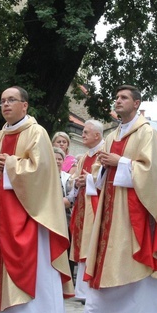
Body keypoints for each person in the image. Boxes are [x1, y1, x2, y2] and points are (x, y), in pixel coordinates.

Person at [67, 85, 157, 313]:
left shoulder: (147, 133)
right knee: (105, 260)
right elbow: (99, 170)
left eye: (124, 98)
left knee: (131, 262)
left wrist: (122, 163)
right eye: (116, 97)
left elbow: (154, 173)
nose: (118, 101)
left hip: (133, 211)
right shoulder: (112, 135)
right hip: (109, 207)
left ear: (137, 103)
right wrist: (100, 170)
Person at [0, 86, 72, 313]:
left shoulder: (36, 132)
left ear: (25, 105)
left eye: (11, 100)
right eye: (2, 101)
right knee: (0, 265)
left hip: (30, 214)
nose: (6, 105)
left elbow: (40, 170)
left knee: (36, 265)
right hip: (0, 214)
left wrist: (7, 163)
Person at [66, 120, 105, 302]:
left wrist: (88, 180)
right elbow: (74, 179)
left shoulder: (103, 154)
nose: (82, 135)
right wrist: (76, 182)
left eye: (86, 132)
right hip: (82, 205)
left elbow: (103, 179)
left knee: (92, 246)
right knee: (81, 246)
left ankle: (90, 288)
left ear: (97, 135)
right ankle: (81, 290)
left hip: (96, 207)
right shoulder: (83, 157)